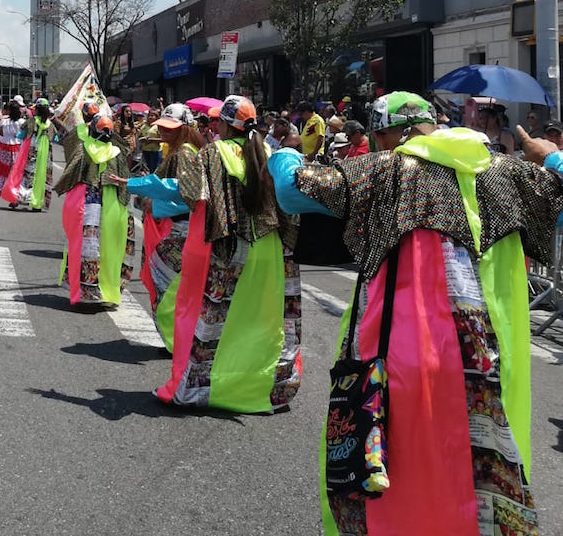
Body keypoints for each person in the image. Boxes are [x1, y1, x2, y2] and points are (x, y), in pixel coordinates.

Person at [269, 92, 563, 536]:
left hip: (407, 362)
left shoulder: (387, 169)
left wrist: (284, 153)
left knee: (400, 473)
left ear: (388, 133)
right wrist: (554, 156)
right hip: (495, 365)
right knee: (480, 469)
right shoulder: (511, 174)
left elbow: (294, 189)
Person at [150, 95, 301, 413]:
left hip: (230, 248)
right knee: (262, 320)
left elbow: (189, 193)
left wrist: (141, 185)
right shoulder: (269, 152)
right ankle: (264, 388)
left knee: (216, 321)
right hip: (269, 246)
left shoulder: (211, 153)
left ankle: (200, 390)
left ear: (223, 124)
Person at [111, 102, 204, 351]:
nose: (164, 131)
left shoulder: (184, 153)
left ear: (185, 129)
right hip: (179, 228)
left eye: (170, 128)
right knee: (172, 284)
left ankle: (177, 340)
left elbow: (188, 196)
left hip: (180, 228)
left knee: (167, 283)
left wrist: (155, 204)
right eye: (162, 126)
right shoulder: (183, 150)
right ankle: (179, 339)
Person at [54, 108, 135, 310]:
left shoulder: (83, 147)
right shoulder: (117, 152)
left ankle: (85, 291)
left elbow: (70, 173)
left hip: (88, 203)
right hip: (113, 204)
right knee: (111, 248)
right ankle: (107, 291)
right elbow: (125, 184)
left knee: (85, 245)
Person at [2, 97, 54, 211]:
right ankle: (37, 203)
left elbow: (20, 135)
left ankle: (16, 198)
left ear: (37, 110)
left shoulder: (31, 121)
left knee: (23, 174)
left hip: (30, 150)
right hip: (45, 153)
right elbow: (55, 138)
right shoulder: (50, 124)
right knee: (41, 176)